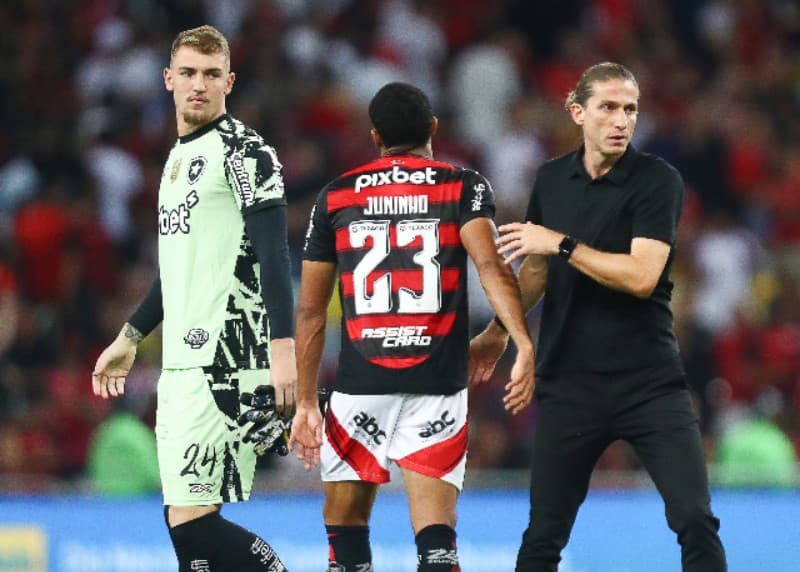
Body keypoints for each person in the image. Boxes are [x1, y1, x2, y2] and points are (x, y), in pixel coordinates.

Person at [469, 62, 728, 571]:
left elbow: (642, 276)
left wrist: (561, 243)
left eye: (630, 109)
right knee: (543, 535)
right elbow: (537, 273)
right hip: (570, 384)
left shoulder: (657, 181)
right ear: (577, 112)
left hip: (649, 383)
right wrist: (501, 331)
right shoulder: (551, 179)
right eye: (608, 107)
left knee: (695, 518)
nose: (621, 120)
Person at [288, 82, 534, 572]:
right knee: (437, 542)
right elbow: (490, 265)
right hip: (436, 383)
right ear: (434, 128)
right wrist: (518, 339)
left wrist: (305, 402)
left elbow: (312, 312)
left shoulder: (335, 197)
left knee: (346, 534)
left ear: (375, 136)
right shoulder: (462, 186)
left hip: (361, 385)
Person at [91, 25, 296, 572]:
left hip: (226, 360)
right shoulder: (178, 160)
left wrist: (284, 351)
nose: (198, 85)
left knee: (193, 523)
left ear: (229, 81)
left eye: (210, 75)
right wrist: (130, 335)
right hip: (182, 362)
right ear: (168, 79)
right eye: (187, 73)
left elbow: (275, 254)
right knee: (188, 534)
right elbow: (177, 270)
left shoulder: (245, 151)